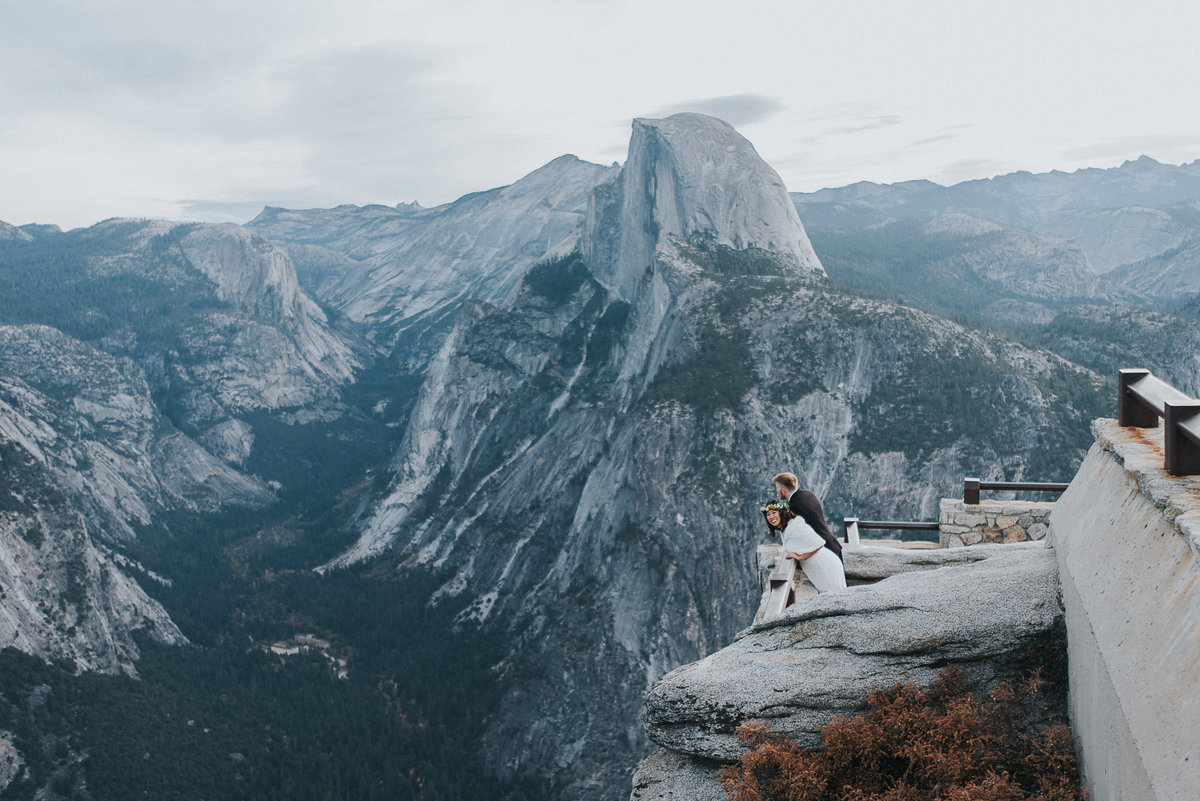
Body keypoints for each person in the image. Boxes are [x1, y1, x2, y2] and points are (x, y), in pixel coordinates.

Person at [760, 500, 847, 593]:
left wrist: (799, 557)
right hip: (819, 567)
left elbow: (818, 544)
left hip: (825, 565)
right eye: (768, 514)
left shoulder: (795, 526)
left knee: (836, 597)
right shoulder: (786, 529)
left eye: (774, 513)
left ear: (781, 512)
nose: (771, 517)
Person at [773, 472, 842, 563]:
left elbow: (799, 535)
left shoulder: (794, 506)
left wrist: (798, 555)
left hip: (823, 551)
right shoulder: (808, 494)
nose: (776, 491)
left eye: (777, 488)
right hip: (833, 544)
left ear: (784, 490)